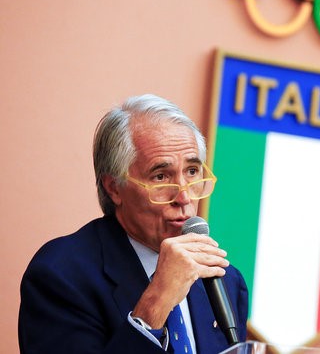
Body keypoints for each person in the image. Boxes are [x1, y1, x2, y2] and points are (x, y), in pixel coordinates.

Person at [18, 94, 248, 353]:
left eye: (192, 172)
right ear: (114, 187)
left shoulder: (226, 281)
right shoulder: (61, 275)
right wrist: (157, 301)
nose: (184, 197)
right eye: (161, 176)